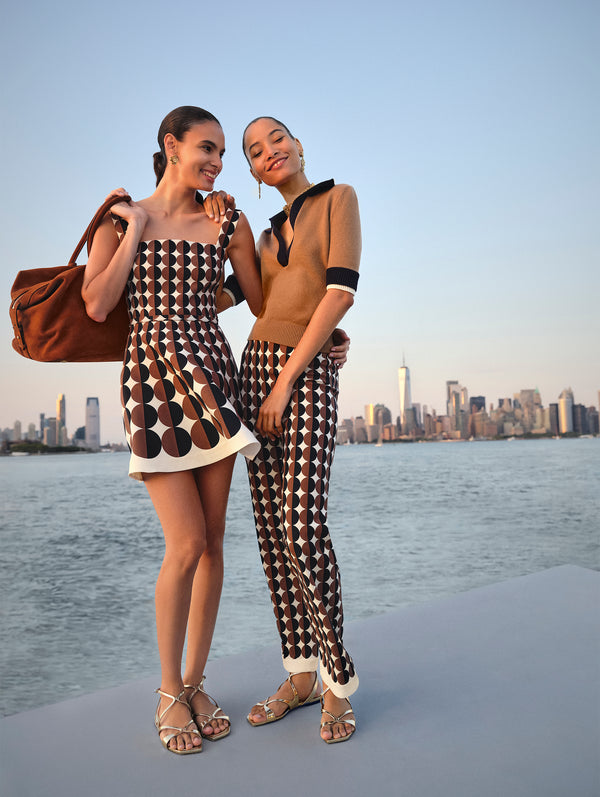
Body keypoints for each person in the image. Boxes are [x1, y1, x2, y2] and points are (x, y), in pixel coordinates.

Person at [81, 106, 263, 755]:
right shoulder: (119, 216)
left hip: (213, 377)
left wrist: (235, 241)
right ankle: (165, 690)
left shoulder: (223, 219)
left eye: (222, 154)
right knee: (184, 542)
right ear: (171, 145)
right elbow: (99, 302)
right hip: (153, 384)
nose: (216, 162)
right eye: (206, 148)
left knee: (213, 541)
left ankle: (194, 682)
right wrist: (133, 231)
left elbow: (259, 297)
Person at [237, 116, 361, 743]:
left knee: (301, 523)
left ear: (299, 144)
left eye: (276, 139)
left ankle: (339, 679)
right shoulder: (261, 235)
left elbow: (338, 291)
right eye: (255, 152)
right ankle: (301, 671)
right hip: (251, 369)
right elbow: (254, 304)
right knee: (270, 532)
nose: (269, 152)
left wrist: (290, 376)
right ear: (255, 173)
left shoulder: (340, 199)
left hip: (301, 376)